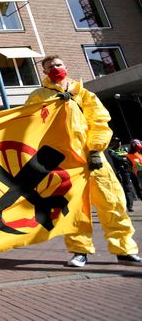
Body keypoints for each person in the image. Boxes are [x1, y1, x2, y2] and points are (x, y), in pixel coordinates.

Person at [25, 56, 142, 268]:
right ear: (44, 72)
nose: (55, 69)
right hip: (64, 162)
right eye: (50, 66)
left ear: (65, 67)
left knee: (112, 202)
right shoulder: (38, 96)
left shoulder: (84, 94)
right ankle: (79, 251)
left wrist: (96, 150)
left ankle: (125, 250)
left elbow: (99, 122)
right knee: (75, 208)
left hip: (92, 159)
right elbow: (28, 123)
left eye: (58, 65)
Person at [106, 137, 137, 211]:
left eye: (119, 141)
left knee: (137, 186)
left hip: (131, 169)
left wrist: (125, 158)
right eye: (116, 141)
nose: (118, 143)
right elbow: (117, 158)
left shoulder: (125, 149)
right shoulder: (111, 150)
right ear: (113, 143)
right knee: (128, 188)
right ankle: (129, 206)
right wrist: (124, 158)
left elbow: (130, 157)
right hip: (122, 171)